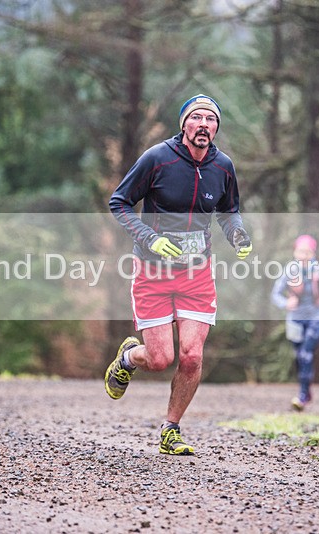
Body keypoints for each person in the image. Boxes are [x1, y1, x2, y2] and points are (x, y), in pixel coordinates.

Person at [105, 94, 252, 455]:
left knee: (191, 356)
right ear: (184, 124)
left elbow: (229, 211)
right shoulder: (157, 158)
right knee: (159, 360)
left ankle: (171, 429)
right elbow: (119, 202)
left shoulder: (223, 166)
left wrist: (238, 234)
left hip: (196, 274)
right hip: (153, 272)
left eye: (211, 119)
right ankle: (128, 358)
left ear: (216, 128)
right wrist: (150, 239)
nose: (204, 124)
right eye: (197, 118)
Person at [271, 234, 319, 411]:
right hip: (295, 319)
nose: (303, 255)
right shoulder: (288, 271)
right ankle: (306, 390)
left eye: (307, 252)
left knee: (306, 354)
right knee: (299, 356)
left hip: (317, 318)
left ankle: (302, 396)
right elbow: (275, 294)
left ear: (313, 253)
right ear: (294, 252)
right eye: (300, 251)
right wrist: (285, 303)